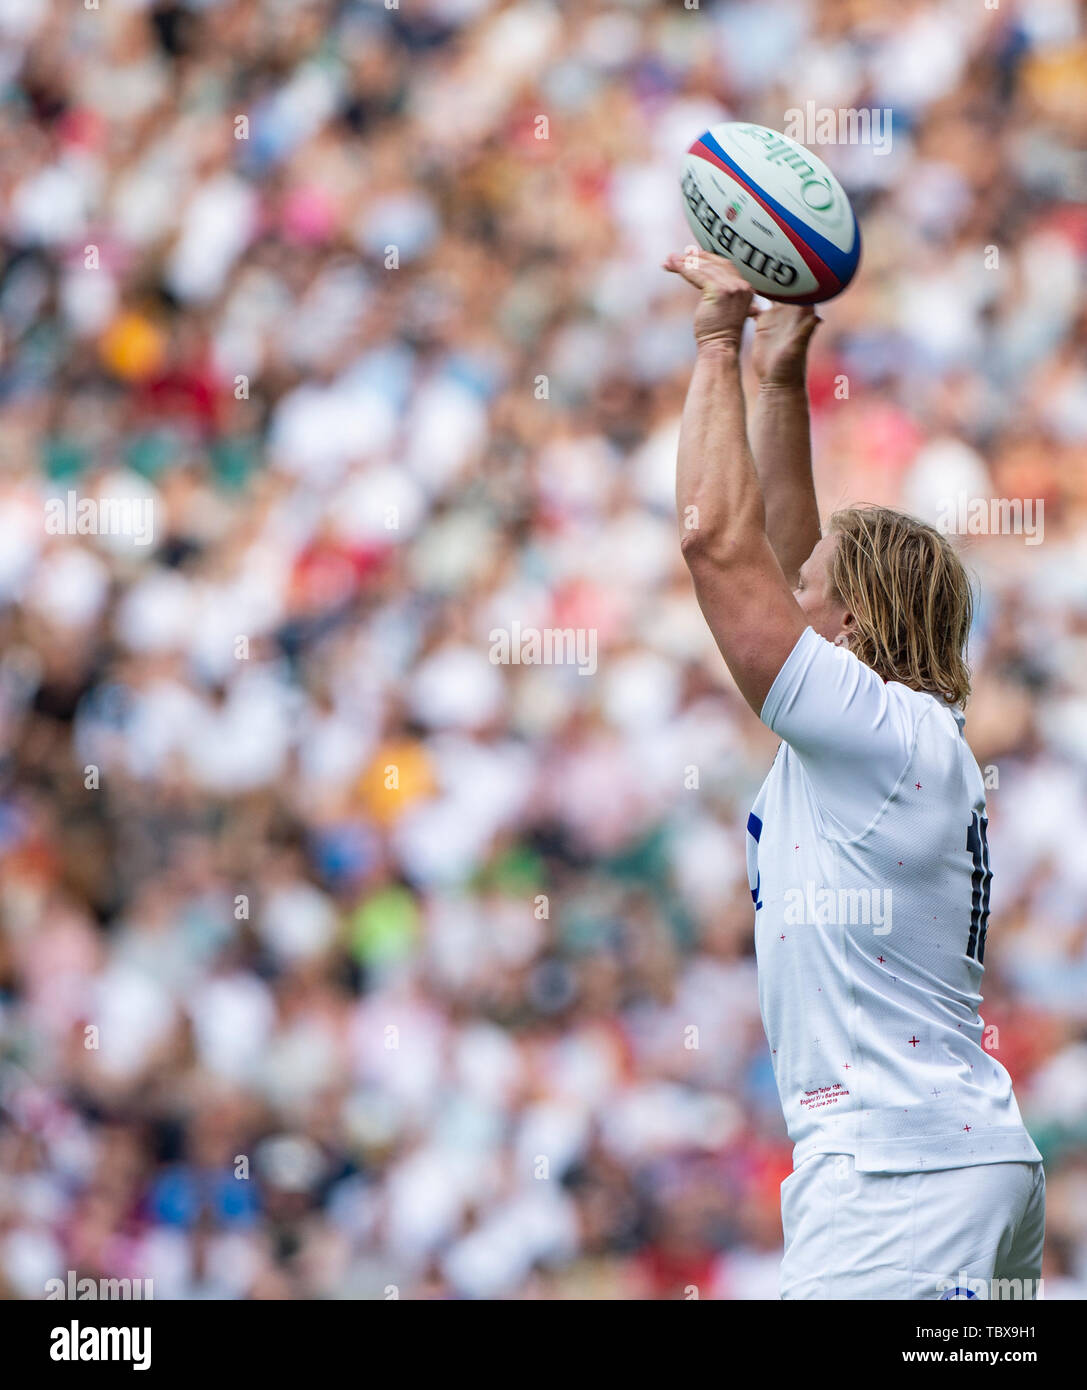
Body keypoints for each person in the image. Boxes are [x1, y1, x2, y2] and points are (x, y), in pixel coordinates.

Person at [664, 247, 1045, 1301]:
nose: (794, 592)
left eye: (813, 588)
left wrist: (713, 343)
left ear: (855, 624)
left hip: (897, 1182)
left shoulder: (879, 735)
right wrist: (778, 378)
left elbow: (714, 544)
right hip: (952, 1163)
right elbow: (782, 551)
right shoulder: (897, 738)